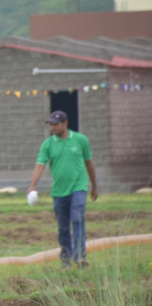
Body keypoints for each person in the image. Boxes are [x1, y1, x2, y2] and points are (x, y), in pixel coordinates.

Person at [28, 110, 98, 268]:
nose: (52, 127)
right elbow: (40, 166)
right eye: (50, 125)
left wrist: (94, 186)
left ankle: (80, 257)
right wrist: (32, 185)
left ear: (65, 124)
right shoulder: (48, 144)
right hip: (59, 191)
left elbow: (89, 164)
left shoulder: (80, 140)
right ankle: (66, 259)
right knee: (63, 227)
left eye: (55, 124)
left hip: (78, 186)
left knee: (77, 219)